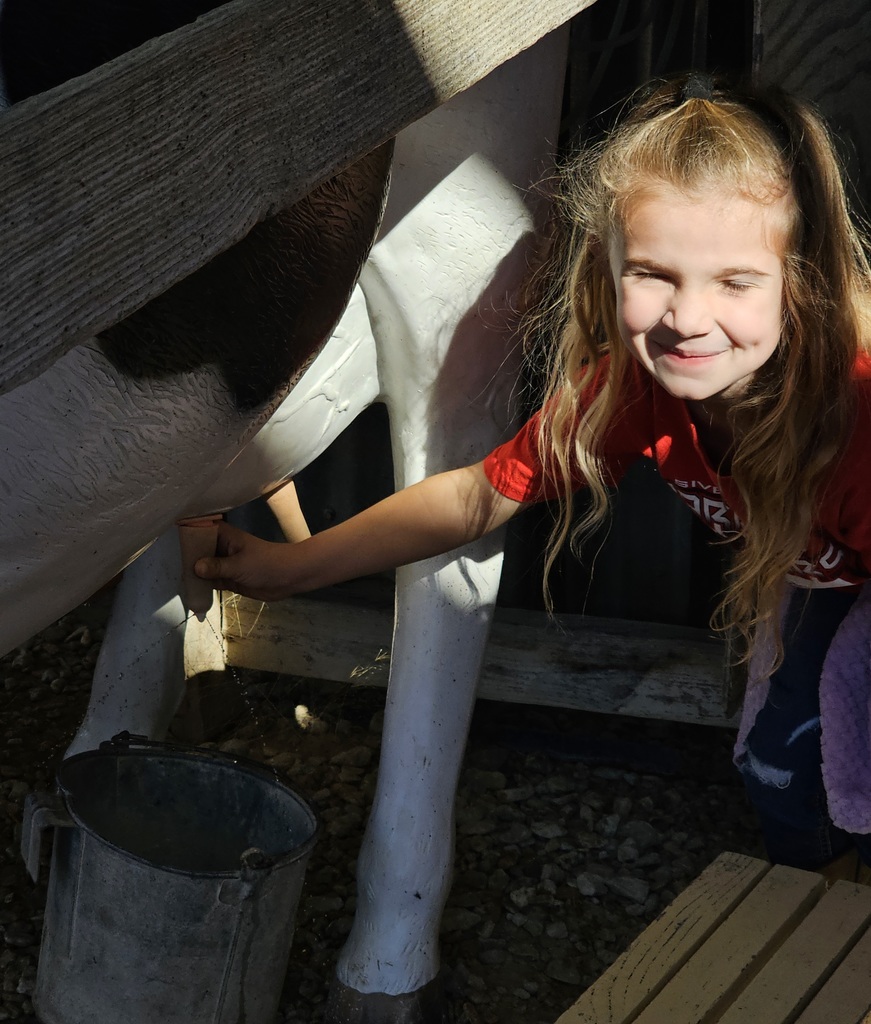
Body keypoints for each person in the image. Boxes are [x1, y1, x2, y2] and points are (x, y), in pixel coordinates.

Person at [196, 72, 871, 881]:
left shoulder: (855, 418)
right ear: (604, 260)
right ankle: (823, 912)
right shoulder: (635, 389)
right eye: (653, 273)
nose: (687, 319)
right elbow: (482, 491)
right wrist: (292, 564)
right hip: (823, 580)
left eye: (734, 282)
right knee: (779, 767)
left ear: (800, 282)